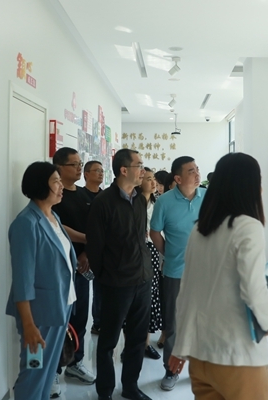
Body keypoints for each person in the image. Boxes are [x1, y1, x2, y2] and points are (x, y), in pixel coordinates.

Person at [168, 153, 268, 400]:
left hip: (201, 358)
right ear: (248, 186)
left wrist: (181, 346)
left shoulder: (199, 229)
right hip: (238, 357)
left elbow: (187, 293)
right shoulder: (248, 227)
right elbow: (253, 289)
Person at [6, 162, 77, 400]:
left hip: (59, 308)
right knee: (33, 372)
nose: (61, 186)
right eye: (56, 181)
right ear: (40, 185)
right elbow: (22, 280)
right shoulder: (26, 223)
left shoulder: (52, 216)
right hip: (38, 317)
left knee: (48, 372)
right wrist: (29, 325)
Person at [87, 149, 153, 400]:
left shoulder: (139, 200)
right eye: (139, 165)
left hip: (142, 280)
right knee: (108, 342)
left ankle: (130, 387)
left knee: (137, 339)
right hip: (116, 284)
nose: (143, 171)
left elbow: (140, 238)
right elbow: (95, 246)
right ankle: (105, 391)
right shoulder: (103, 202)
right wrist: (106, 276)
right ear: (124, 170)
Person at [150, 156, 206, 391]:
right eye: (191, 171)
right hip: (175, 271)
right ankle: (171, 371)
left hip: (205, 272)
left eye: (197, 169)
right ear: (178, 178)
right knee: (173, 324)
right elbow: (154, 233)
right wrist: (169, 253)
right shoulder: (164, 202)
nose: (197, 173)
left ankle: (201, 371)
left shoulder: (208, 197)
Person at [51, 148, 96, 394]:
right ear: (59, 167)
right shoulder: (55, 195)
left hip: (83, 265)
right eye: (74, 164)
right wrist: (85, 240)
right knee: (60, 320)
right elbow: (57, 225)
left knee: (80, 317)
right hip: (61, 267)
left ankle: (75, 362)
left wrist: (87, 251)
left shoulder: (84, 194)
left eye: (80, 164)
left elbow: (94, 226)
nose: (79, 168)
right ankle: (54, 370)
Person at [140, 167, 162, 359]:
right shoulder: (133, 202)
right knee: (134, 298)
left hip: (153, 251)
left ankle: (146, 344)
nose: (153, 182)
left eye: (153, 178)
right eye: (148, 179)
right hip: (136, 252)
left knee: (150, 295)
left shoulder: (158, 203)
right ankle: (130, 345)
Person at [83, 160, 104, 335]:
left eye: (102, 170)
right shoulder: (80, 195)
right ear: (86, 174)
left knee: (101, 288)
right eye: (97, 170)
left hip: (103, 251)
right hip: (82, 252)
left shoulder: (105, 197)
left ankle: (99, 321)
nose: (101, 173)